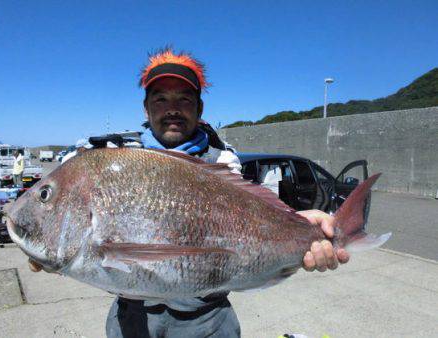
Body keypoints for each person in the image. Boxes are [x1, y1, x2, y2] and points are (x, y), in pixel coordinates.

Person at [29, 48, 349, 337]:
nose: (172, 109)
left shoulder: (222, 160)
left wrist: (301, 225)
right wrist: (55, 243)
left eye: (184, 99)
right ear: (146, 107)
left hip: (207, 321)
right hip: (132, 320)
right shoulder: (119, 158)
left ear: (199, 107)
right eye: (161, 99)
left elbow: (253, 217)